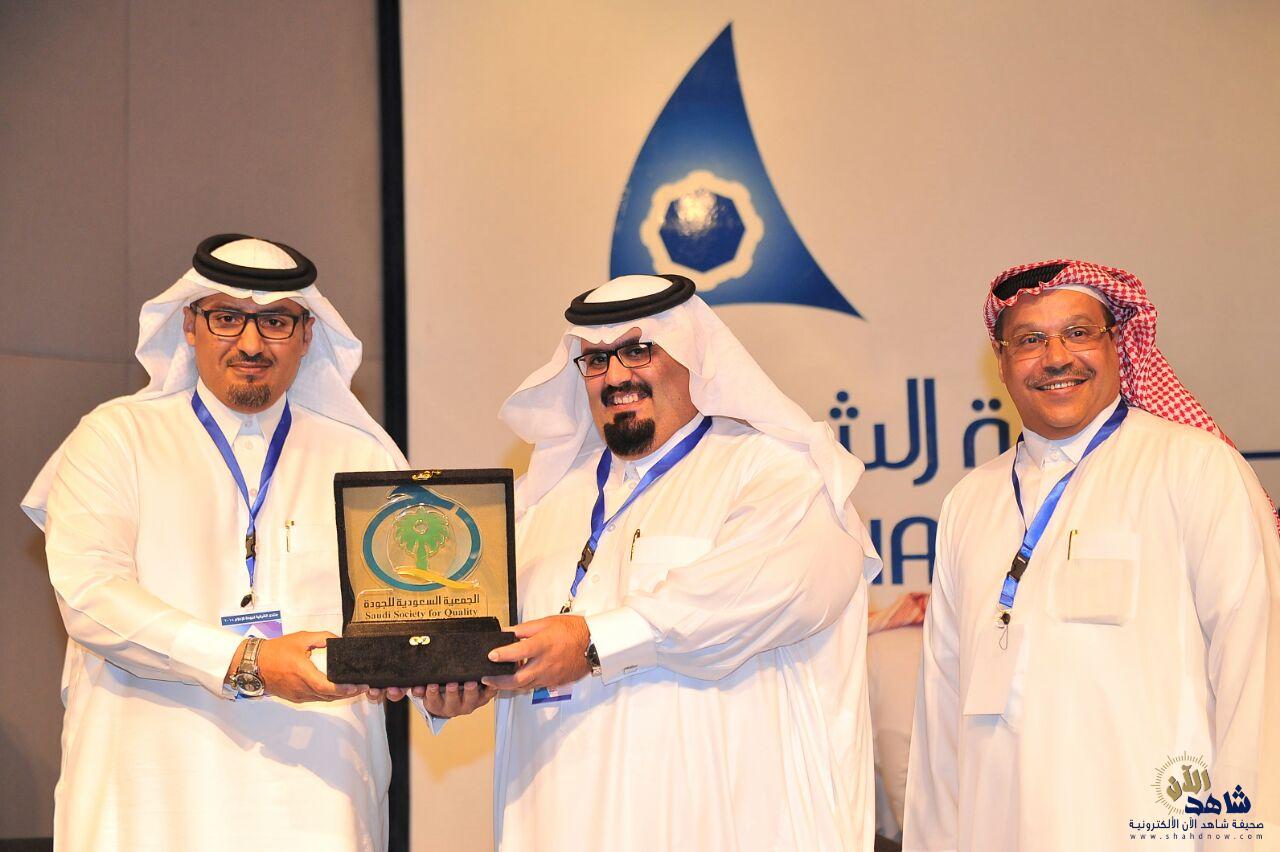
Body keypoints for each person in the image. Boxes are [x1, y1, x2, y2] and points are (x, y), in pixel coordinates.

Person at [20, 234, 486, 851]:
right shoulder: (115, 439)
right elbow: (90, 599)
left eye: (275, 321)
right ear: (190, 325)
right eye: (227, 318)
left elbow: (407, 614)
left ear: (307, 334)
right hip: (151, 795)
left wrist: (442, 684)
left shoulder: (362, 457)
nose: (249, 343)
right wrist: (249, 661)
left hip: (317, 800)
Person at [472, 274, 882, 850]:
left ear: (691, 353)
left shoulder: (777, 473)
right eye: (596, 360)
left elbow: (758, 596)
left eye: (638, 351)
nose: (616, 377)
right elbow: (491, 630)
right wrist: (463, 679)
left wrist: (590, 642)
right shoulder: (540, 502)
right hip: (557, 821)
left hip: (715, 823)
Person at [903, 259, 1279, 850]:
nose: (1056, 357)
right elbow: (940, 715)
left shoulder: (1195, 467)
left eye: (1078, 333)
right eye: (1029, 340)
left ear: (1116, 344)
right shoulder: (968, 503)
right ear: (1000, 360)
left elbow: (1257, 676)